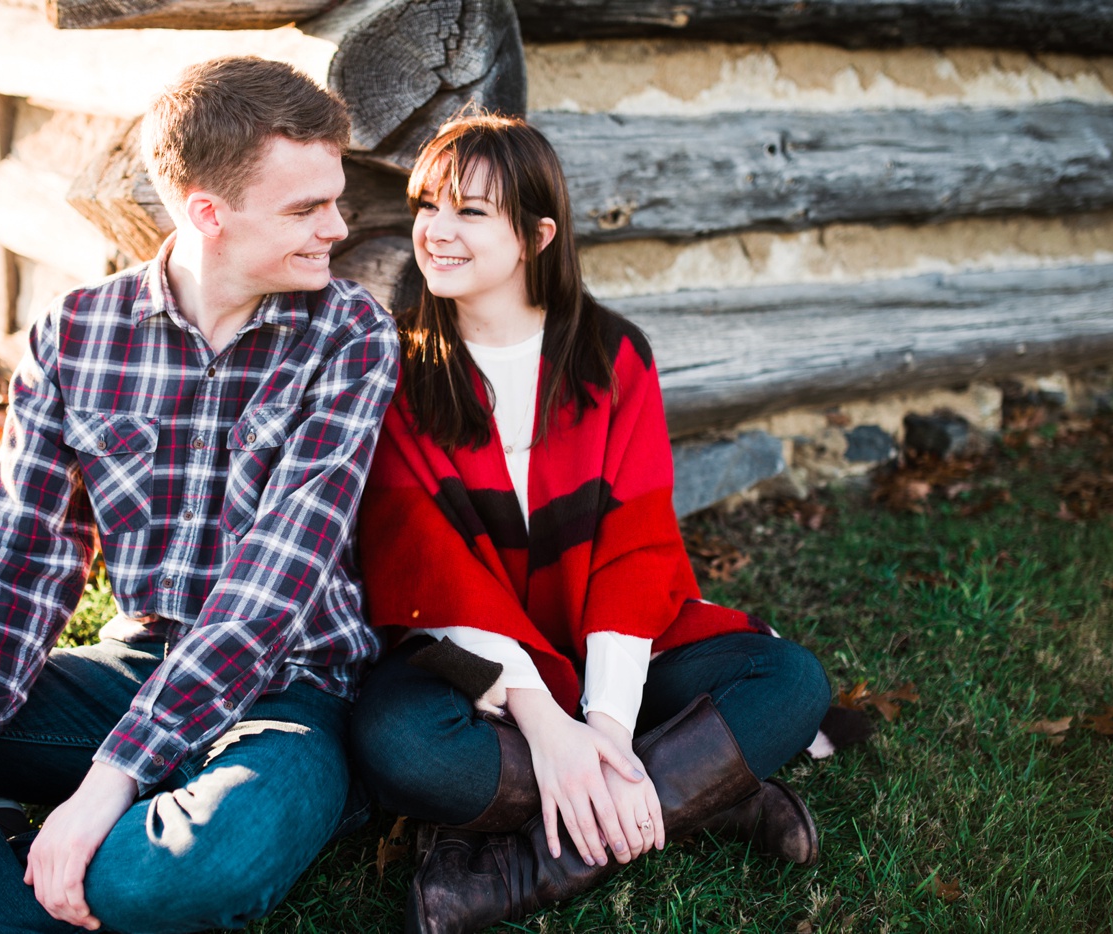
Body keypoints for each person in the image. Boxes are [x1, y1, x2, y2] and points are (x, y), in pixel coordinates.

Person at [0, 56, 397, 933]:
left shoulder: (350, 333)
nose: (337, 224)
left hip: (287, 698)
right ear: (207, 212)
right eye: (305, 208)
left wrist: (107, 784)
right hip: (134, 672)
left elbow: (269, 593)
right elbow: (20, 552)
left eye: (334, 198)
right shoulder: (78, 334)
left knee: (164, 878)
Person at [351, 113, 832, 934]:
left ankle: (518, 871)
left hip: (607, 645)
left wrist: (603, 724)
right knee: (401, 745)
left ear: (537, 236)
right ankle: (707, 796)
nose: (436, 231)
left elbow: (634, 548)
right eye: (427, 205)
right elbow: (432, 571)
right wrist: (547, 724)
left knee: (791, 682)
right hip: (475, 663)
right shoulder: (396, 368)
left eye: (470, 212)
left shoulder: (614, 358)